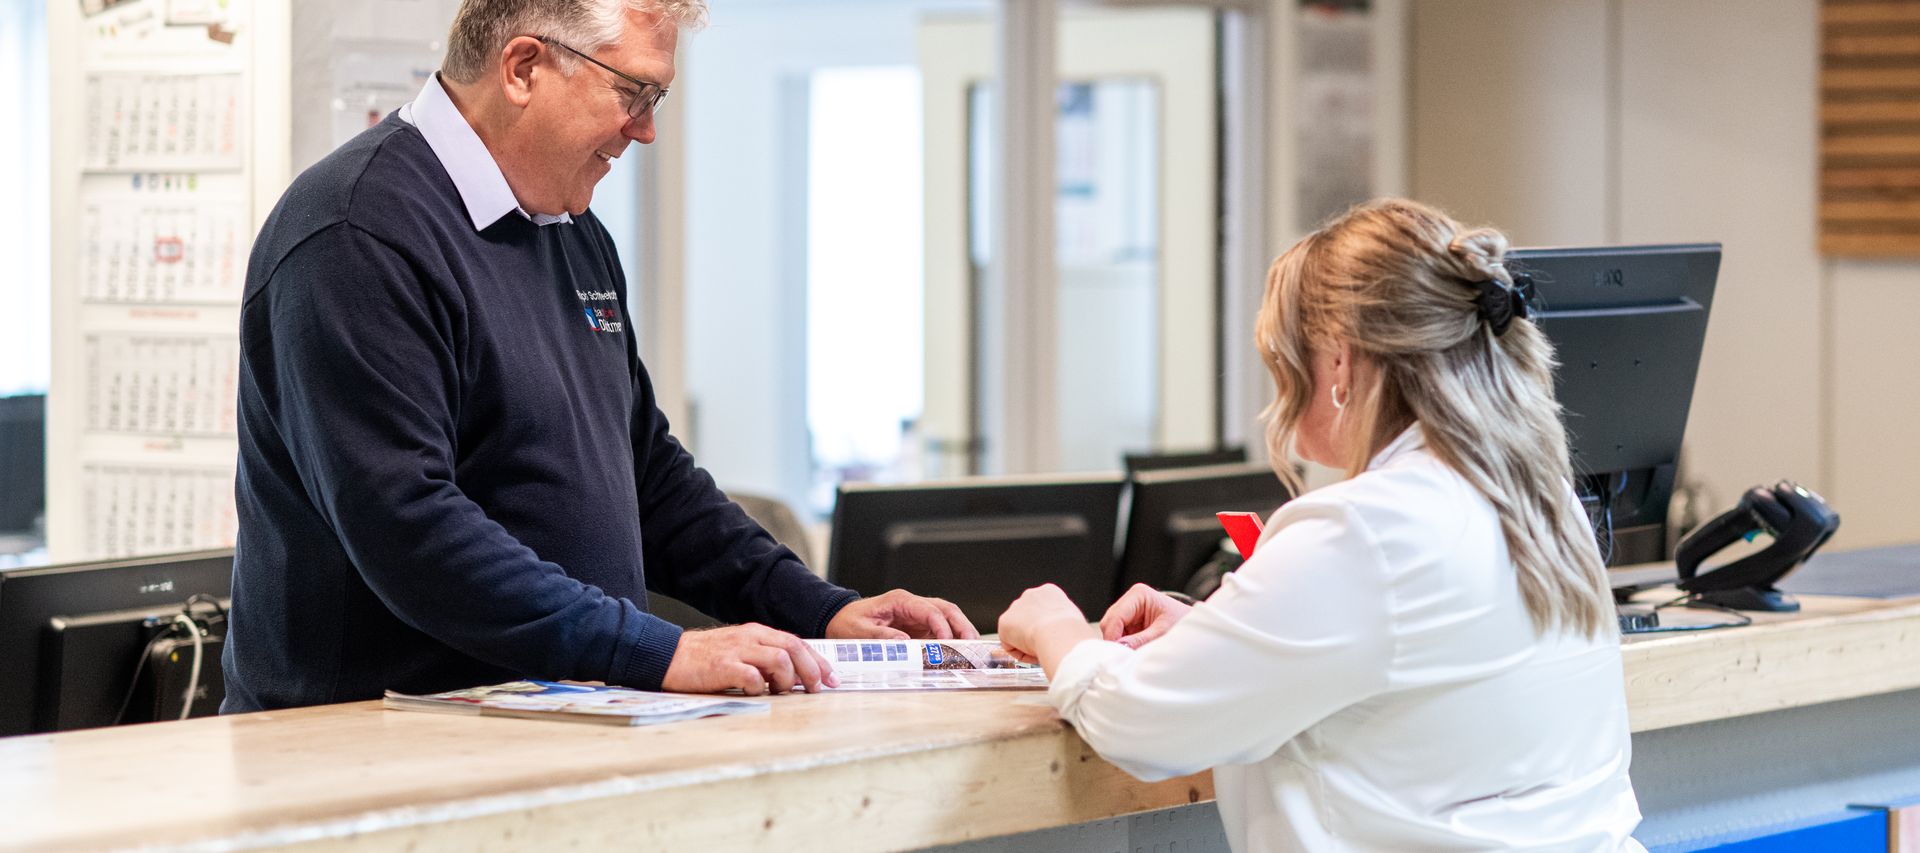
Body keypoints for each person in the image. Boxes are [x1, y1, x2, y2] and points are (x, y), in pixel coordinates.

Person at [223, 0, 973, 712]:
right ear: (523, 68)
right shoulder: (353, 233)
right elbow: (407, 526)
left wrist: (821, 610)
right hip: (367, 749)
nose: (645, 131)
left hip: (547, 727)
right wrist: (655, 650)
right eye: (633, 92)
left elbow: (649, 478)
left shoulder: (566, 226)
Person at [998, 199, 1644, 851]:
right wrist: (1221, 631)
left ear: (1338, 361)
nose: (1278, 387)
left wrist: (1057, 627)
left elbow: (1137, 721)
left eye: (1282, 359)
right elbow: (1409, 663)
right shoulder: (1543, 501)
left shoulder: (1365, 528)